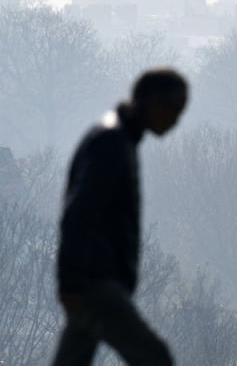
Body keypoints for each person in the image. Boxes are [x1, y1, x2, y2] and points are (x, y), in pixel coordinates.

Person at [51, 69, 188, 366]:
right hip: (95, 282)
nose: (176, 120)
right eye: (173, 108)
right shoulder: (112, 143)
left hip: (90, 280)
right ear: (150, 102)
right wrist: (70, 281)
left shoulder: (115, 138)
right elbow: (79, 213)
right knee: (154, 358)